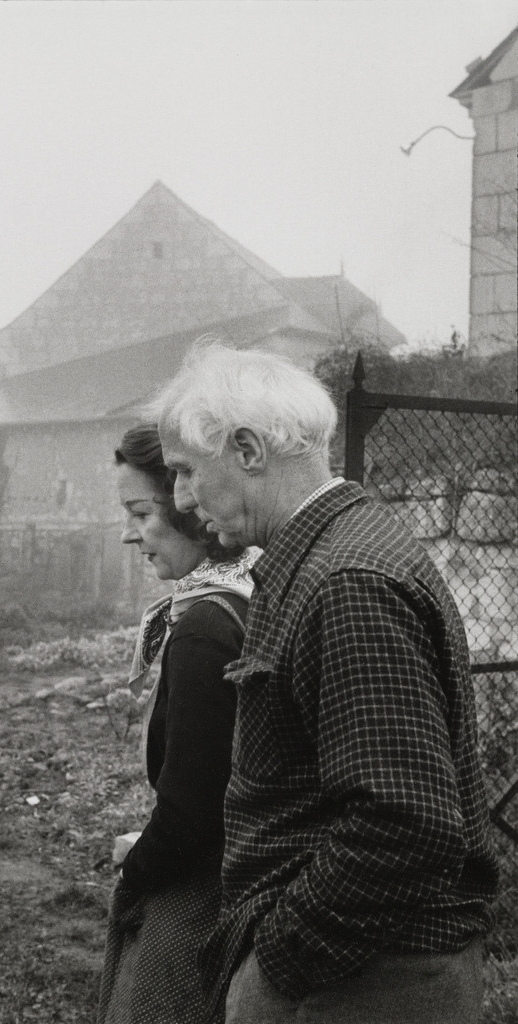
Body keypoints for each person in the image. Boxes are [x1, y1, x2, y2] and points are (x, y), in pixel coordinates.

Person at [150, 343, 498, 1024]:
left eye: (187, 472)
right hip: (356, 970)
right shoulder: (328, 556)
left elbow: (403, 824)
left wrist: (278, 965)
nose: (184, 501)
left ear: (248, 451)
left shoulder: (343, 582)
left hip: (358, 983)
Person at [97, 423, 258, 1024]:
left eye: (141, 512)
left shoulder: (204, 629)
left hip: (207, 894)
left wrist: (137, 867)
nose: (126, 534)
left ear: (189, 509)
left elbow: (195, 811)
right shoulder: (246, 597)